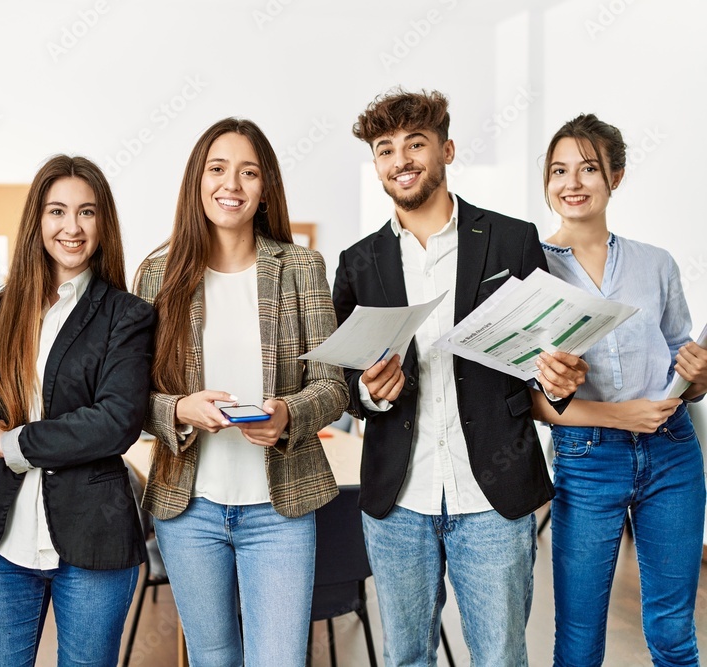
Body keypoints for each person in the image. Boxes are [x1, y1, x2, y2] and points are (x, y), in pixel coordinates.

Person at [332, 89, 588, 666]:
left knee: (500, 657)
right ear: (376, 164)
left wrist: (559, 379)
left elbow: (544, 357)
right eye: (385, 149)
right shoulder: (357, 262)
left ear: (446, 149)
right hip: (398, 499)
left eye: (415, 143)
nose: (401, 159)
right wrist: (368, 393)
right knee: (405, 659)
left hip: (493, 498)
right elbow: (340, 378)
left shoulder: (511, 239)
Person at [134, 117, 348, 666]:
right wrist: (180, 408)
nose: (232, 184)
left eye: (248, 172)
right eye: (218, 169)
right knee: (212, 658)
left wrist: (288, 415)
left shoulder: (301, 267)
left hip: (280, 509)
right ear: (197, 181)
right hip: (189, 509)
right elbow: (134, 396)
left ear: (264, 187)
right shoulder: (158, 276)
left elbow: (333, 385)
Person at [0, 154, 154, 667]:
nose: (71, 227)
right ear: (37, 220)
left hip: (94, 542)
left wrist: (14, 443)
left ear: (104, 223)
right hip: (2, 543)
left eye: (86, 212)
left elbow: (116, 420)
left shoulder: (128, 315)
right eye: (57, 211)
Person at [530, 114, 707, 666]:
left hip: (672, 451)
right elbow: (528, 401)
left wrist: (699, 375)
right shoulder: (530, 269)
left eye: (588, 169)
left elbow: (689, 375)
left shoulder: (656, 264)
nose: (572, 183)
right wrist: (617, 416)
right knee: (579, 643)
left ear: (616, 177)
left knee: (674, 631)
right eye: (559, 171)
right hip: (587, 462)